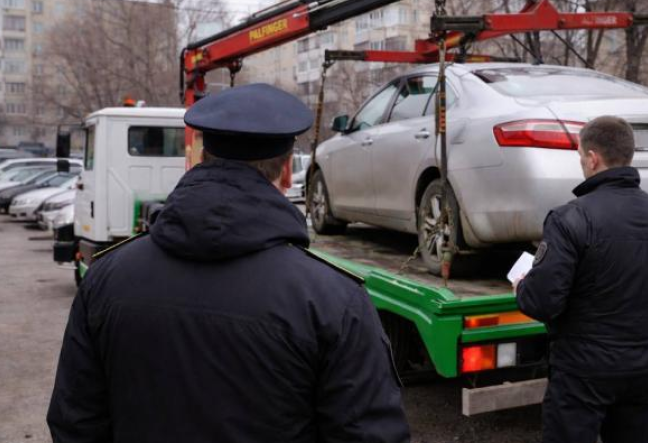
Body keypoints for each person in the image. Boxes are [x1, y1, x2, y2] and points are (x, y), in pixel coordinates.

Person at [47, 83, 410, 443]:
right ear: (286, 174)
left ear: (201, 159)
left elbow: (75, 422)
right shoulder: (334, 301)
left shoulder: (106, 278)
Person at [514, 116, 648, 443]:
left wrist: (523, 287)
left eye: (581, 156)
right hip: (643, 371)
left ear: (593, 157)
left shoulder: (570, 218)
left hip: (581, 374)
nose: (582, 162)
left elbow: (544, 302)